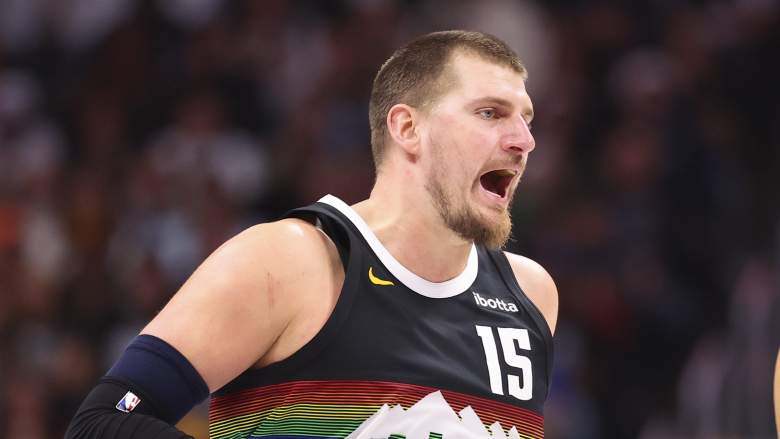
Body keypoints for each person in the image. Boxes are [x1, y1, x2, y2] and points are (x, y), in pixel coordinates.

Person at [66, 30, 558, 439]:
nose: (524, 140)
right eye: (490, 113)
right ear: (407, 128)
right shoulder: (291, 262)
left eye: (526, 119)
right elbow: (102, 423)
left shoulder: (531, 295)